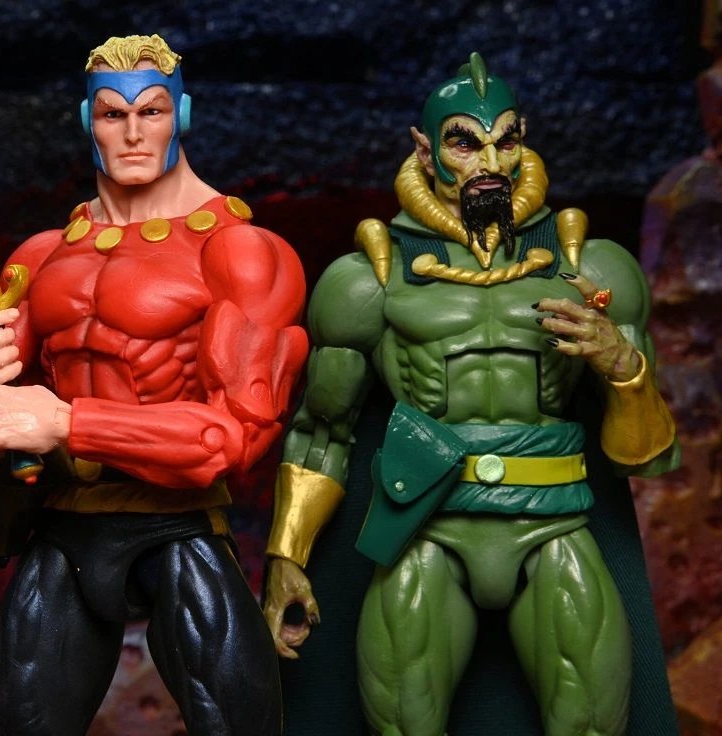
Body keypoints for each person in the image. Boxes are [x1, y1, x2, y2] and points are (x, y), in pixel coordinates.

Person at [262, 53, 680, 736]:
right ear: (425, 150)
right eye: (465, 143)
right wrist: (286, 557)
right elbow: (322, 429)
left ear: (523, 141)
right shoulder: (368, 279)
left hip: (552, 520)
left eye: (505, 141)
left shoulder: (591, 268)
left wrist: (624, 367)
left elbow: (647, 454)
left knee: (593, 725)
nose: (489, 161)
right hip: (429, 526)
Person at [0, 34, 307, 735]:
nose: (133, 132)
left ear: (180, 116)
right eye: (113, 114)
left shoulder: (237, 251)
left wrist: (66, 423)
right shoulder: (39, 259)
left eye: (151, 111)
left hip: (178, 523)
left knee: (239, 721)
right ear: (88, 121)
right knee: (24, 718)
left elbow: (232, 441)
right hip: (65, 522)